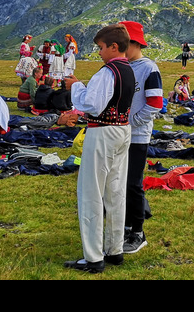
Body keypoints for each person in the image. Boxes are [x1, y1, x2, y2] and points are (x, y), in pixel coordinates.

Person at [63, 24, 137, 273]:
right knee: (115, 191)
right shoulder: (128, 69)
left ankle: (93, 257)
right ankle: (114, 249)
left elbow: (92, 105)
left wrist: (75, 85)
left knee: (91, 193)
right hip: (123, 130)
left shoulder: (109, 71)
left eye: (101, 48)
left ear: (114, 47)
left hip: (103, 131)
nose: (99, 53)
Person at [118, 20, 162, 255]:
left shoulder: (149, 68)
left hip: (137, 135)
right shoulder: (122, 66)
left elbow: (155, 104)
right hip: (120, 133)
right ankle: (125, 227)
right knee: (120, 182)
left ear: (133, 43)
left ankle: (138, 233)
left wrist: (130, 123)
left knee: (133, 184)